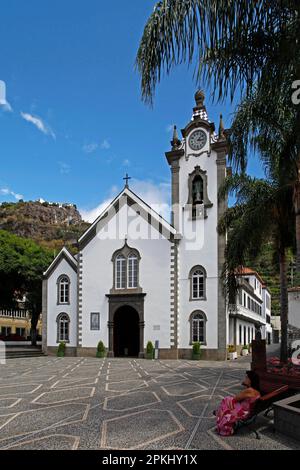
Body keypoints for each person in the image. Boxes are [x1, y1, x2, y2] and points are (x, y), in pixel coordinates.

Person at [214, 370, 261, 436]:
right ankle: (220, 413)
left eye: (247, 377)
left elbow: (236, 398)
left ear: (251, 380)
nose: (245, 378)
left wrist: (244, 384)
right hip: (249, 411)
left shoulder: (249, 390)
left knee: (226, 399)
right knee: (228, 401)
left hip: (243, 413)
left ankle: (221, 418)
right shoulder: (257, 392)